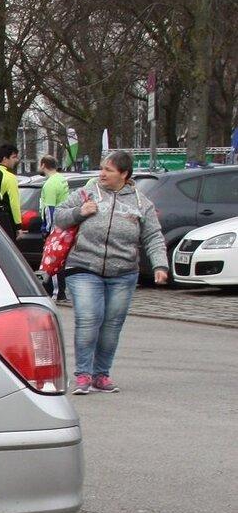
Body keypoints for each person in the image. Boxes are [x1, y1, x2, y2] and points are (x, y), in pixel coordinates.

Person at [52, 148, 168, 394]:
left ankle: (101, 375)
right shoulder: (85, 193)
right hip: (83, 266)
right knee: (88, 318)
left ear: (124, 174)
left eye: (108, 170)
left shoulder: (141, 203)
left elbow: (153, 236)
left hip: (123, 272)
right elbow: (59, 216)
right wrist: (79, 212)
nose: (102, 174)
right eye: (102, 168)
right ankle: (83, 375)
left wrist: (160, 265)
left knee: (111, 325)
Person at [38, 155, 71, 300]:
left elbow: (49, 209)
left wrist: (48, 230)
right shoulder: (61, 179)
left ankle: (56, 293)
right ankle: (58, 291)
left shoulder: (50, 184)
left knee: (52, 260)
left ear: (43, 165)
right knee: (59, 260)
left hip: (55, 227)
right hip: (63, 224)